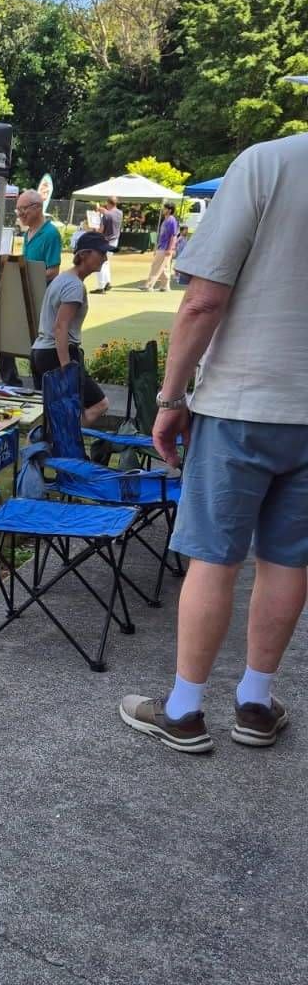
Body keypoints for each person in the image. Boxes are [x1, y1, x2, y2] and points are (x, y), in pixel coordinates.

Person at [119, 133, 308, 753]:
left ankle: (184, 711)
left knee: (214, 559)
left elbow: (203, 300)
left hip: (242, 402)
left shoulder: (267, 163)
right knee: (289, 561)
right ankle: (255, 704)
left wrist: (171, 399)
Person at [29, 231, 111, 425]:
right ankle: (67, 438)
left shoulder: (62, 278)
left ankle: (51, 440)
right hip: (55, 355)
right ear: (84, 254)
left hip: (40, 352)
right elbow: (61, 326)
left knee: (54, 415)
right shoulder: (74, 286)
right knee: (100, 404)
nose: (105, 258)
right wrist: (67, 368)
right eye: (101, 253)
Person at [15, 189, 63, 277]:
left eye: (23, 208)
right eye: (18, 210)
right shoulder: (27, 234)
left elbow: (53, 272)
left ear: (38, 207)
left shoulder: (51, 234)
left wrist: (28, 280)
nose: (19, 214)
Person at [146, 203, 179, 290]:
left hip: (165, 247)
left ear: (169, 210)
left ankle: (149, 285)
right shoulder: (165, 220)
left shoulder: (172, 220)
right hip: (161, 246)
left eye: (164, 208)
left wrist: (170, 249)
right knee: (164, 268)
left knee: (156, 266)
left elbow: (173, 235)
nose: (163, 210)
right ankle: (165, 286)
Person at [97, 196, 121, 292]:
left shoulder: (106, 215)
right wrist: (104, 212)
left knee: (100, 262)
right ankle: (107, 283)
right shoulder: (120, 213)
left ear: (108, 203)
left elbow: (101, 230)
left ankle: (101, 286)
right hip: (114, 240)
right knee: (106, 262)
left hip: (106, 241)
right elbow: (111, 214)